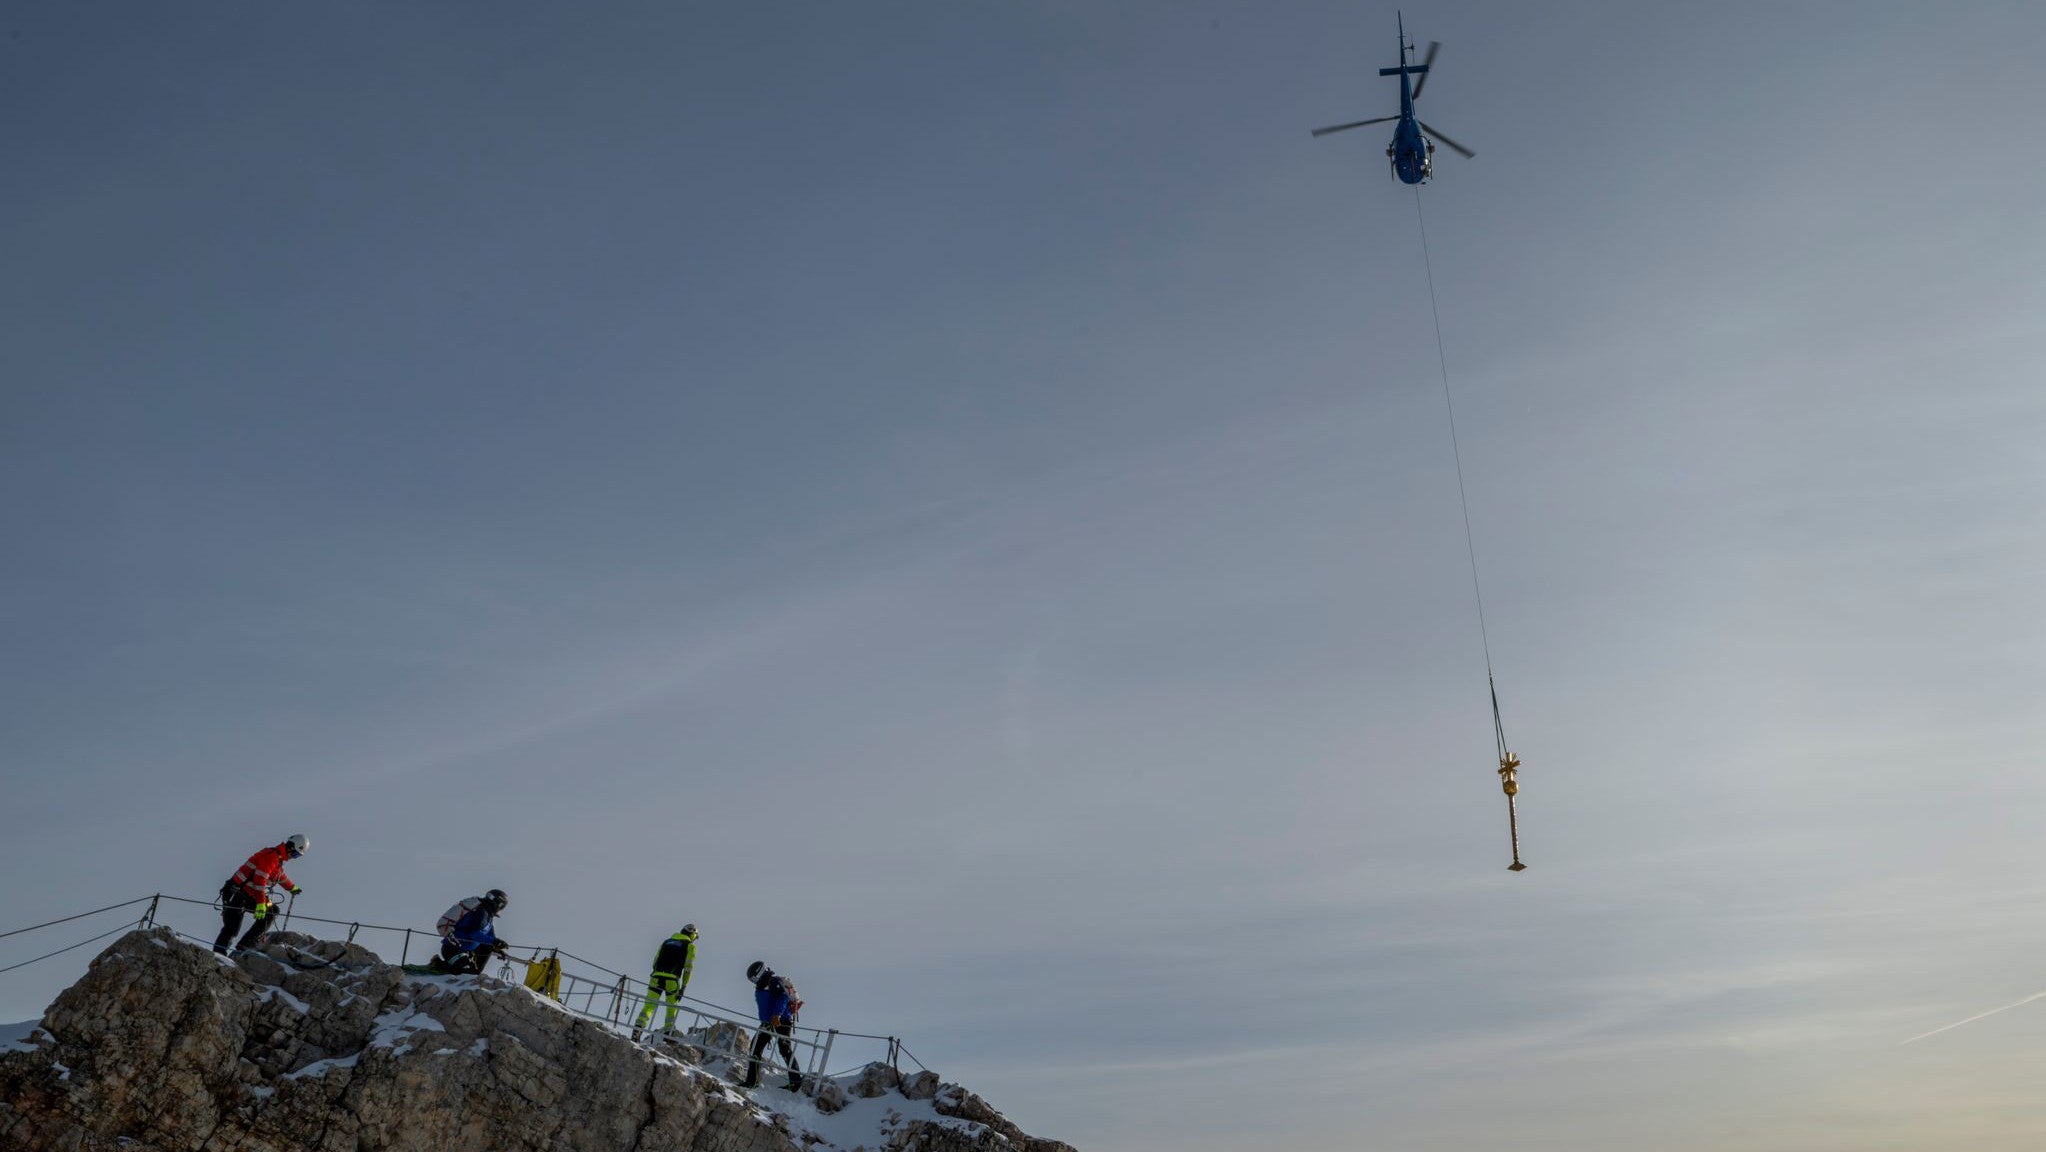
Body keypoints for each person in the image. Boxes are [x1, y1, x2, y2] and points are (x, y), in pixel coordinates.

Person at [214, 834, 308, 955]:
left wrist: (291, 887)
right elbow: (259, 881)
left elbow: (279, 876)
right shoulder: (272, 857)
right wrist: (260, 904)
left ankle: (245, 945)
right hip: (239, 893)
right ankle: (220, 955)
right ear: (290, 848)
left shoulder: (277, 859)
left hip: (246, 894)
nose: (294, 858)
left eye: (297, 856)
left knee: (272, 911)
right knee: (232, 928)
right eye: (295, 854)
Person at [740, 960, 803, 1091]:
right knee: (755, 1047)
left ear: (759, 973)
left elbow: (783, 998)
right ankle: (752, 1081)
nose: (753, 981)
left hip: (781, 1021)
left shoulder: (773, 982)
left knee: (784, 1048)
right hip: (768, 1022)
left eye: (753, 978)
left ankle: (796, 1082)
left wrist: (777, 1015)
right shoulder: (763, 985)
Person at [631, 923, 698, 1042]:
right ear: (692, 935)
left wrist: (656, 972)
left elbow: (655, 960)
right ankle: (668, 1035)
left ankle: (637, 1031)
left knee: (649, 1005)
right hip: (672, 979)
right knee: (672, 1007)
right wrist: (683, 987)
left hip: (656, 977)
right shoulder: (690, 946)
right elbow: (688, 968)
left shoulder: (666, 942)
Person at [432, 889, 509, 975]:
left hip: (465, 951)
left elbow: (490, 938)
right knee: (466, 974)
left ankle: (473, 972)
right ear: (498, 904)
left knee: (486, 951)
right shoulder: (481, 912)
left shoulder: (488, 917)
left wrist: (496, 947)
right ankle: (438, 964)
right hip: (453, 950)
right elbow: (473, 934)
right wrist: (495, 942)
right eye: (501, 906)